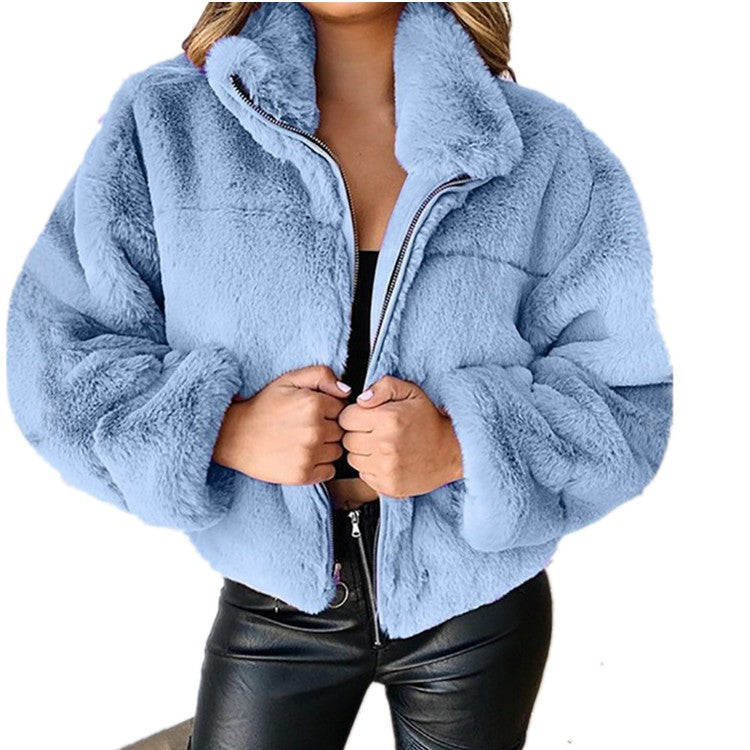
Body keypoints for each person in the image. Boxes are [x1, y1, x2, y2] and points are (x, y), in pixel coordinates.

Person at [5, 2, 673, 748]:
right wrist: (224, 429)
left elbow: (626, 396)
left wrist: (462, 445)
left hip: (480, 608)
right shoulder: (166, 123)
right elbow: (53, 357)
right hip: (276, 606)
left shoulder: (543, 147)